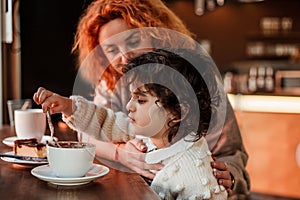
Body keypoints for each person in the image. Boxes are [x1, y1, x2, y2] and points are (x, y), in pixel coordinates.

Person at [40, 0, 250, 197]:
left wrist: (230, 175)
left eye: (133, 40)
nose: (125, 56)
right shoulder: (112, 83)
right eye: (112, 49)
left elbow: (232, 154)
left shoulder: (195, 83)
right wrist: (121, 154)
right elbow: (95, 130)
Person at [34, 48, 228, 199]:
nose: (129, 106)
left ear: (179, 111)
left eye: (141, 101)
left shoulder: (193, 174)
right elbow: (106, 122)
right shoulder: (152, 133)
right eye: (132, 98)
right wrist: (69, 106)